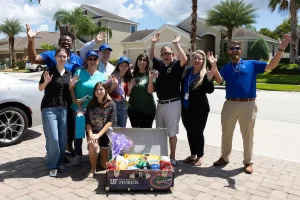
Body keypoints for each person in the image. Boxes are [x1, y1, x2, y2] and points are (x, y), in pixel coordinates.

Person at [211, 34, 291, 174]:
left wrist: (280, 49)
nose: (234, 50)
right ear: (228, 51)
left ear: (240, 51)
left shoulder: (251, 64)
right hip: (230, 103)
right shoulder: (226, 68)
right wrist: (213, 66)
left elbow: (271, 65)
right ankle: (224, 157)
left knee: (248, 134)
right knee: (226, 132)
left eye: (236, 48)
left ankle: (248, 162)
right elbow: (219, 80)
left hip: (248, 104)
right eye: (231, 48)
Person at [26, 24, 82, 158]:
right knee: (53, 131)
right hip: (52, 100)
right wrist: (31, 40)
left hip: (69, 97)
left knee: (69, 126)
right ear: (59, 42)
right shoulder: (51, 54)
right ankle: (51, 153)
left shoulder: (77, 58)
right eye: (64, 40)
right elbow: (33, 59)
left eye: (69, 40)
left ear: (72, 43)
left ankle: (66, 149)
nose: (66, 42)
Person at [149, 33, 187, 166]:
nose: (166, 56)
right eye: (164, 54)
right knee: (160, 132)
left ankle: (172, 157)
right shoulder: (160, 65)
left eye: (168, 53)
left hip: (173, 104)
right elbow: (151, 56)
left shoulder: (176, 65)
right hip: (160, 104)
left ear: (173, 55)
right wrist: (153, 43)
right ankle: (161, 156)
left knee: (171, 133)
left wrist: (176, 43)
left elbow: (184, 58)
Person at [69, 50, 107, 165]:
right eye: (90, 59)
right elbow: (71, 87)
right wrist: (74, 99)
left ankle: (93, 154)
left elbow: (104, 92)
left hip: (94, 110)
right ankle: (78, 155)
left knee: (93, 132)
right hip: (79, 108)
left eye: (94, 59)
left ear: (98, 61)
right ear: (86, 61)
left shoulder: (101, 75)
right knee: (79, 132)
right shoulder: (79, 72)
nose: (92, 61)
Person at [38, 48, 71, 177]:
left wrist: (72, 86)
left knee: (62, 139)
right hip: (49, 108)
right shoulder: (49, 71)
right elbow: (40, 88)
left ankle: (59, 162)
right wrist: (45, 82)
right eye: (59, 56)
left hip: (63, 109)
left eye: (64, 56)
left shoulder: (69, 73)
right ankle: (52, 165)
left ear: (67, 58)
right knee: (53, 138)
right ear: (55, 57)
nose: (62, 58)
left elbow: (68, 90)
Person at [181, 50, 216, 166]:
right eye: (195, 58)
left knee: (198, 132)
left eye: (199, 59)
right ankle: (193, 154)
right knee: (189, 131)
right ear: (192, 59)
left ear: (203, 61)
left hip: (200, 109)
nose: (197, 60)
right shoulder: (187, 71)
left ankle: (200, 156)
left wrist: (210, 77)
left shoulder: (205, 74)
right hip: (186, 108)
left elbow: (210, 90)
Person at [85, 82, 117, 178]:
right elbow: (88, 123)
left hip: (106, 134)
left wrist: (98, 135)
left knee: (104, 165)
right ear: (94, 92)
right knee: (92, 144)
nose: (99, 92)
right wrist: (91, 134)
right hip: (93, 133)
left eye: (101, 89)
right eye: (97, 90)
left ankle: (98, 157)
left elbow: (110, 122)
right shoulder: (90, 105)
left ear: (106, 91)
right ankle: (93, 167)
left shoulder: (111, 104)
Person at [127, 54, 157, 128]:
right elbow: (127, 94)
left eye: (144, 60)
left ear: (147, 62)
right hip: (133, 110)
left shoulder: (150, 74)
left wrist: (150, 80)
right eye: (140, 60)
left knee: (145, 135)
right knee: (135, 135)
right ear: (137, 61)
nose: (142, 62)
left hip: (148, 111)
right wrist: (130, 88)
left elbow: (150, 92)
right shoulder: (132, 75)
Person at [107, 56, 132, 127]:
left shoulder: (129, 78)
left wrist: (130, 89)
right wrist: (113, 86)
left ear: (128, 67)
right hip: (113, 104)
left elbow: (127, 95)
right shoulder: (112, 77)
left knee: (122, 128)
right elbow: (107, 93)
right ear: (118, 66)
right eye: (121, 65)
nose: (123, 67)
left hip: (124, 105)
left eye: (126, 66)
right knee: (113, 128)